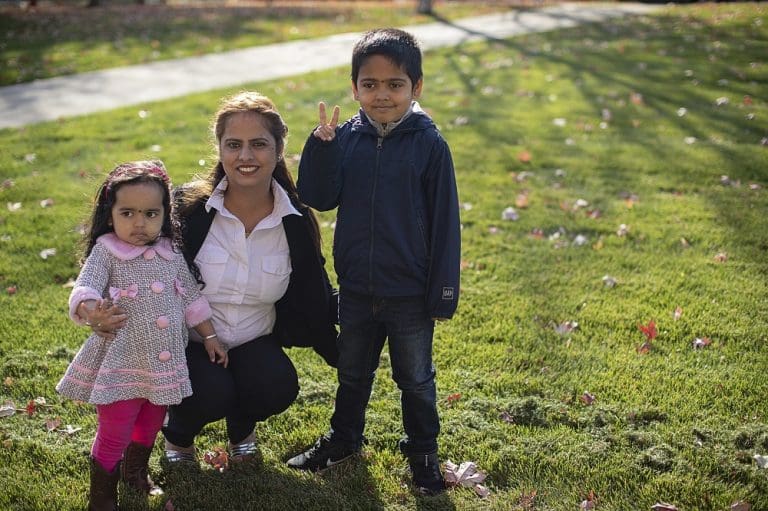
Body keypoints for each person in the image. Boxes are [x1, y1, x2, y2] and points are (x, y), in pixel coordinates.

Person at [286, 28, 461, 496]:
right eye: (370, 84)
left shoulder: (429, 145)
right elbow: (320, 198)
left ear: (416, 87)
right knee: (352, 372)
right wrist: (320, 148)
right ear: (354, 86)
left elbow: (446, 223)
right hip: (359, 288)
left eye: (395, 84)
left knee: (416, 378)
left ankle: (423, 452)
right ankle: (344, 438)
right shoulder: (345, 139)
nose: (382, 95)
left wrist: (442, 292)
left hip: (410, 292)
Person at [159, 91, 339, 466]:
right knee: (210, 391)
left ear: (277, 150)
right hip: (190, 345)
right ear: (219, 149)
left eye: (258, 144)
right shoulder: (188, 210)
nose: (245, 156)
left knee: (277, 385)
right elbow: (144, 263)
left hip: (255, 340)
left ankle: (242, 425)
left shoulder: (295, 220)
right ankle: (178, 434)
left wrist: (340, 347)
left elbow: (312, 290)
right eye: (234, 145)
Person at [57, 160, 227, 511]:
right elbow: (85, 287)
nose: (139, 223)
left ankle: (135, 473)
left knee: (150, 423)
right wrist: (92, 311)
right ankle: (102, 497)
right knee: (115, 430)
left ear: (166, 214)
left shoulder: (170, 253)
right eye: (128, 213)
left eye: (151, 213)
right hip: (121, 361)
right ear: (110, 215)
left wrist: (209, 336)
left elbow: (191, 298)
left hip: (162, 363)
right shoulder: (108, 251)